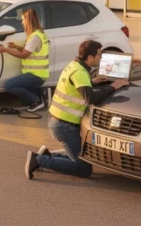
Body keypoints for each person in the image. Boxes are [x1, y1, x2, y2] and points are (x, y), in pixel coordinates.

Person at [25, 40, 129, 180]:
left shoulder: (75, 65)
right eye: (99, 55)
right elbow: (90, 97)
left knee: (81, 159)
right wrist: (114, 86)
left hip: (58, 121)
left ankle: (47, 155)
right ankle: (39, 160)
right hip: (64, 126)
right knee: (83, 169)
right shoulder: (80, 72)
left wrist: (93, 82)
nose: (101, 58)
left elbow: (76, 87)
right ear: (90, 57)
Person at [0, 9, 50, 112]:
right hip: (36, 74)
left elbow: (24, 55)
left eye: (23, 20)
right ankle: (41, 93)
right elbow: (28, 51)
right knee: (24, 101)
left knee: (8, 86)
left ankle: (37, 100)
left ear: (28, 20)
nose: (22, 23)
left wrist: (5, 50)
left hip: (36, 75)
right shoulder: (36, 35)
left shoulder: (35, 37)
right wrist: (16, 47)